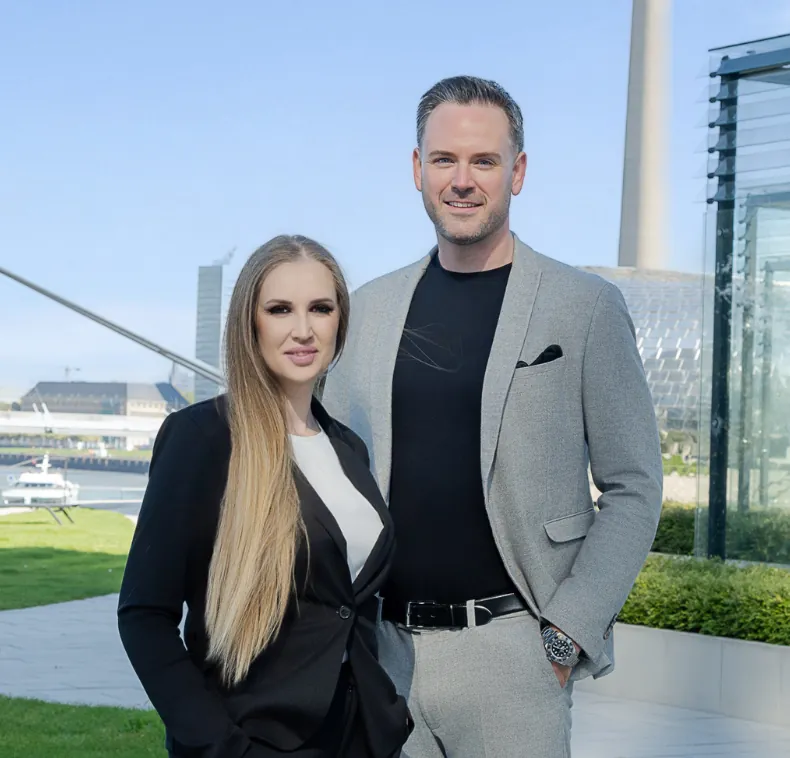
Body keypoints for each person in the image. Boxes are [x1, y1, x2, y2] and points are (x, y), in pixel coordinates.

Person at [320, 76, 663, 757]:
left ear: (518, 171)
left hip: (515, 659)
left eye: (484, 161)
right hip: (385, 657)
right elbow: (326, 477)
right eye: (444, 159)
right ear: (417, 169)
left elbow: (635, 485)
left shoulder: (583, 307)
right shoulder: (369, 310)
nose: (462, 180)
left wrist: (567, 633)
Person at [118, 235, 411, 758]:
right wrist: (223, 746)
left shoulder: (348, 448)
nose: (303, 329)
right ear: (249, 323)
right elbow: (144, 617)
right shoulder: (203, 439)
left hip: (354, 735)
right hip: (252, 739)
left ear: (340, 321)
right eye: (280, 309)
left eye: (320, 308)